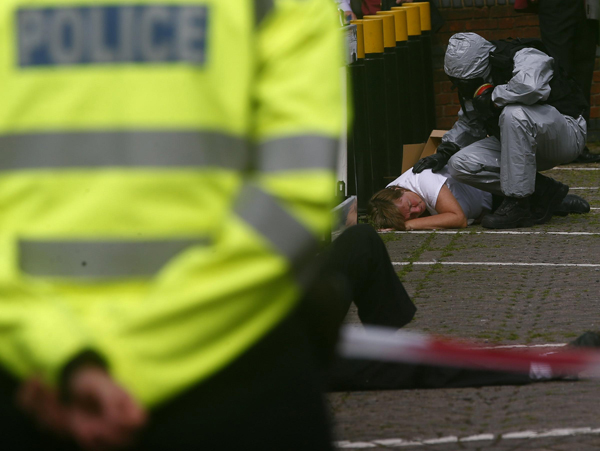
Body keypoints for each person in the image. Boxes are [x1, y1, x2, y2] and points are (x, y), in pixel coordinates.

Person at [0, 1, 343, 450]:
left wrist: (62, 353)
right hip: (232, 374)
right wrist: (136, 361)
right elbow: (291, 202)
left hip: (34, 381)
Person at [413, 32, 588, 230]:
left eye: (467, 81)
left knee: (514, 113)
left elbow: (530, 87)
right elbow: (470, 123)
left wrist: (493, 97)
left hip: (565, 134)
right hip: (521, 143)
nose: (462, 87)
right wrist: (444, 152)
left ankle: (518, 205)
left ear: (483, 66)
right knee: (460, 164)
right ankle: (545, 192)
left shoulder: (524, 56)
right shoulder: (474, 83)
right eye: (457, 82)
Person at [367, 167, 589, 231]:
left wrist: (408, 225)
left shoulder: (421, 179)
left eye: (410, 205)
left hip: (494, 192)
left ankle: (556, 200)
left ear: (400, 189)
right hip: (485, 208)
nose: (417, 209)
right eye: (411, 214)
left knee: (537, 210)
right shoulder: (392, 202)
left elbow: (457, 219)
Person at [536, 0, 600, 164]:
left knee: (582, 74)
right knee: (559, 71)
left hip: (586, 7)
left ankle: (578, 146)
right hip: (557, 6)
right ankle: (558, 146)